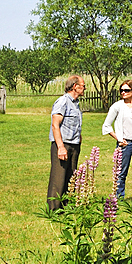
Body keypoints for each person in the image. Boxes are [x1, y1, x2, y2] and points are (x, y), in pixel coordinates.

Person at [103, 79, 132, 198]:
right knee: (121, 173)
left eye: (126, 90)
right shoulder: (117, 106)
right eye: (121, 90)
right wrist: (119, 139)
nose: (123, 92)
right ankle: (118, 199)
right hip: (125, 143)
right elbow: (106, 126)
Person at [48, 75, 85, 211]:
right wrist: (61, 147)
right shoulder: (62, 102)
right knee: (58, 179)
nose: (84, 88)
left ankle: (67, 207)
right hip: (63, 145)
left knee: (71, 177)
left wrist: (78, 136)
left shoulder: (75, 103)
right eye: (83, 85)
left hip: (74, 144)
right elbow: (55, 125)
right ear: (75, 86)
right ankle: (53, 210)